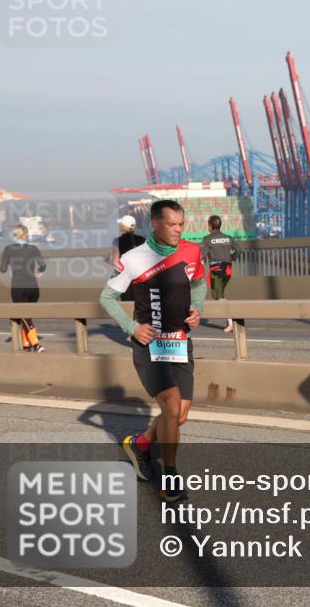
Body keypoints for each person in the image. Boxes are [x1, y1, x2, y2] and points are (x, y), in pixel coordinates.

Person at [99, 200, 206, 502]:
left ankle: (140, 444)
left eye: (181, 224)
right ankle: (170, 477)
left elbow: (199, 284)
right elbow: (107, 297)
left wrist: (197, 308)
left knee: (180, 415)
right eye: (171, 224)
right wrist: (131, 327)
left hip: (181, 341)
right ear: (155, 224)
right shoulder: (134, 258)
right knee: (171, 407)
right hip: (150, 344)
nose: (178, 230)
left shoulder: (192, 252)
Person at [0, 224, 47, 352]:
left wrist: (9, 261)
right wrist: (40, 272)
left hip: (18, 287)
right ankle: (26, 345)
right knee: (27, 315)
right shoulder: (33, 249)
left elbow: (2, 269)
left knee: (24, 315)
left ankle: (36, 343)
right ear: (26, 234)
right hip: (33, 288)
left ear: (15, 235)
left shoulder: (8, 249)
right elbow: (43, 265)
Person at [200, 215, 239, 332]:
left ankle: (231, 322)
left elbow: (202, 256)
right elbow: (239, 250)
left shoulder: (207, 239)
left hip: (216, 270)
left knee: (218, 296)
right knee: (220, 294)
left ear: (211, 226)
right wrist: (231, 258)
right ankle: (230, 321)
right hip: (228, 269)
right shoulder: (228, 238)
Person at [110, 216, 146, 302]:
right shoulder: (142, 240)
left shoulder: (117, 241)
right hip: (141, 278)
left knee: (127, 306)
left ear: (123, 227)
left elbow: (116, 263)